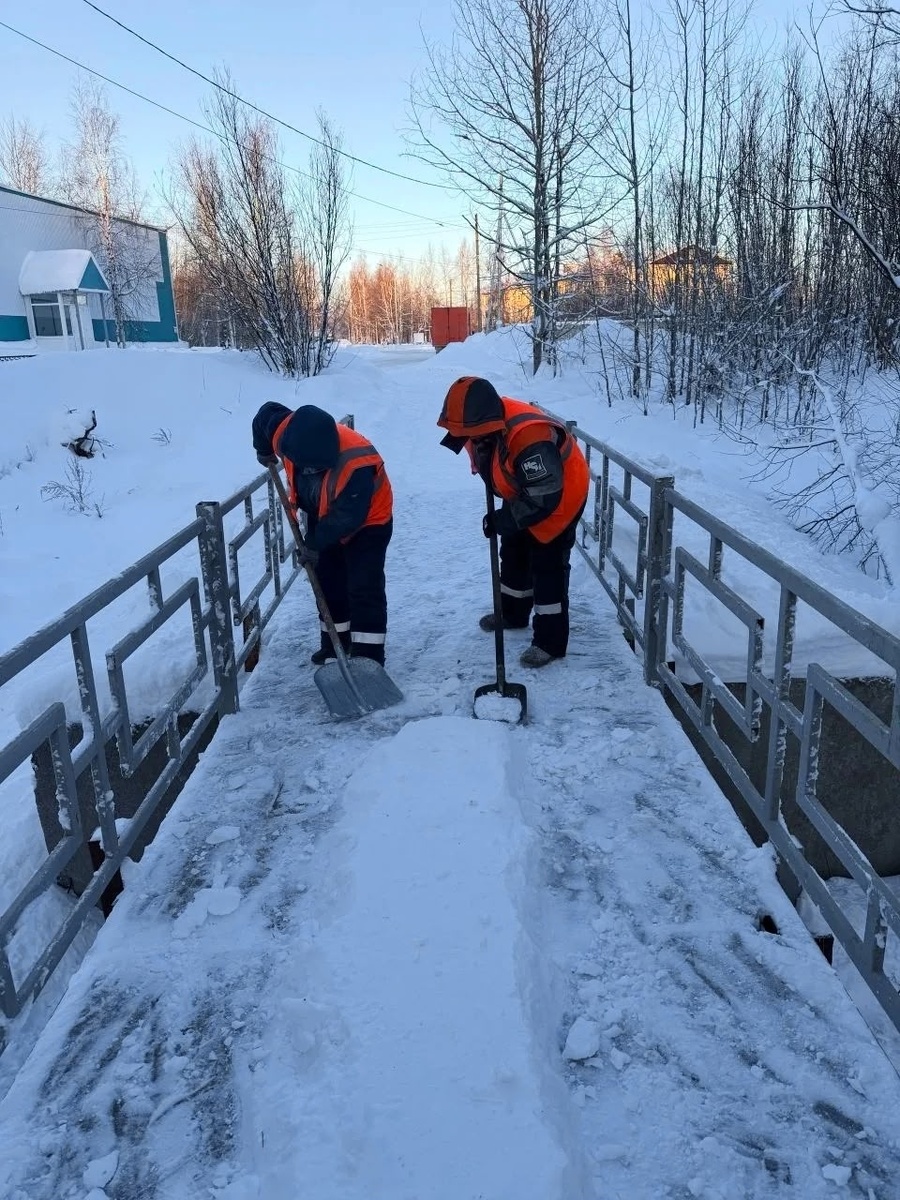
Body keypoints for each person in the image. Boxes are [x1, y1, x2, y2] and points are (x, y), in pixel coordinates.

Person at [437, 376, 589, 668]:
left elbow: (543, 497)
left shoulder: (530, 437)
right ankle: (513, 613)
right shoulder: (487, 422)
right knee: (514, 551)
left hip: (559, 497)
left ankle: (549, 642)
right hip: (524, 490)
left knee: (547, 565)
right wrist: (506, 518)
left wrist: (503, 519)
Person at [252, 402, 393, 666]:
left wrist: (313, 544)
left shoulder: (356, 464)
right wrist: (264, 451)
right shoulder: (286, 433)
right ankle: (335, 643)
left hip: (369, 521)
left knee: (363, 587)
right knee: (329, 581)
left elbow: (349, 517)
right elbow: (265, 414)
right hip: (324, 513)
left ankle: (368, 657)